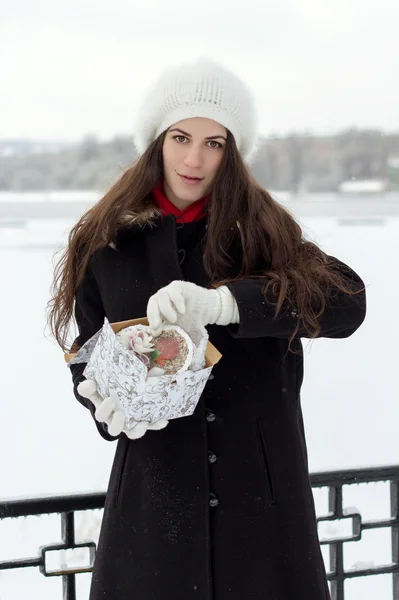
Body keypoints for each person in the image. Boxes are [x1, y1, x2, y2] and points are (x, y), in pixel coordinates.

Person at [47, 57, 366, 600]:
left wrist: (225, 305)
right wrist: (101, 401)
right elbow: (89, 352)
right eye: (180, 137)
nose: (195, 158)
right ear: (156, 142)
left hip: (264, 515)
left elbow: (346, 303)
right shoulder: (106, 244)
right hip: (155, 514)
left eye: (215, 143)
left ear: (234, 151)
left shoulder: (266, 235)